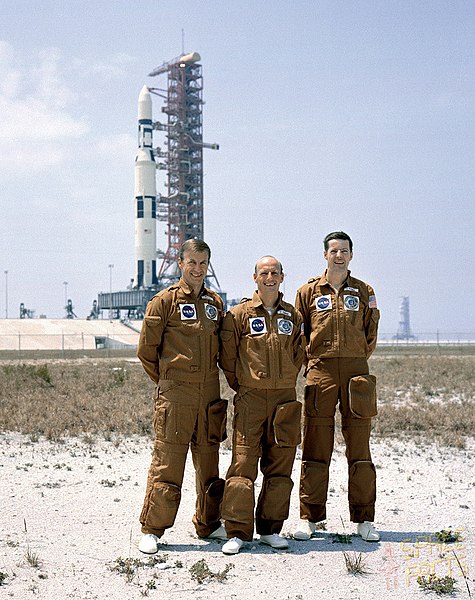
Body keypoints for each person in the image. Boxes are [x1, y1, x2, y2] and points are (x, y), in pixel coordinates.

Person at [137, 239, 228, 554]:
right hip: (176, 395)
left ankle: (209, 524)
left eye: (203, 264)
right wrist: (169, 383)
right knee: (168, 463)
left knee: (209, 462)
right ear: (180, 263)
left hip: (210, 394)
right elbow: (147, 350)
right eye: (192, 262)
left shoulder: (215, 303)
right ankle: (152, 529)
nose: (198, 269)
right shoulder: (164, 302)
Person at [293, 231, 381, 542]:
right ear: (325, 255)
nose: (339, 255)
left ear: (351, 255)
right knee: (316, 447)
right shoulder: (307, 291)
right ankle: (311, 517)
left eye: (344, 250)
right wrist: (315, 363)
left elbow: (371, 331)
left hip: (356, 373)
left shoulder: (363, 290)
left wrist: (355, 358)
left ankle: (364, 519)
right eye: (334, 251)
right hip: (321, 373)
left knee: (360, 448)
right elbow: (298, 332)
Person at [219, 256, 304, 555]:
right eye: (264, 273)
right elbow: (228, 358)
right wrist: (244, 383)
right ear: (254, 277)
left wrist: (284, 378)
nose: (269, 277)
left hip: (284, 399)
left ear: (282, 277)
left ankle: (270, 529)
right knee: (243, 465)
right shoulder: (238, 315)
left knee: (280, 465)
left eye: (275, 273)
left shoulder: (292, 316)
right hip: (250, 399)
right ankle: (238, 532)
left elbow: (299, 353)